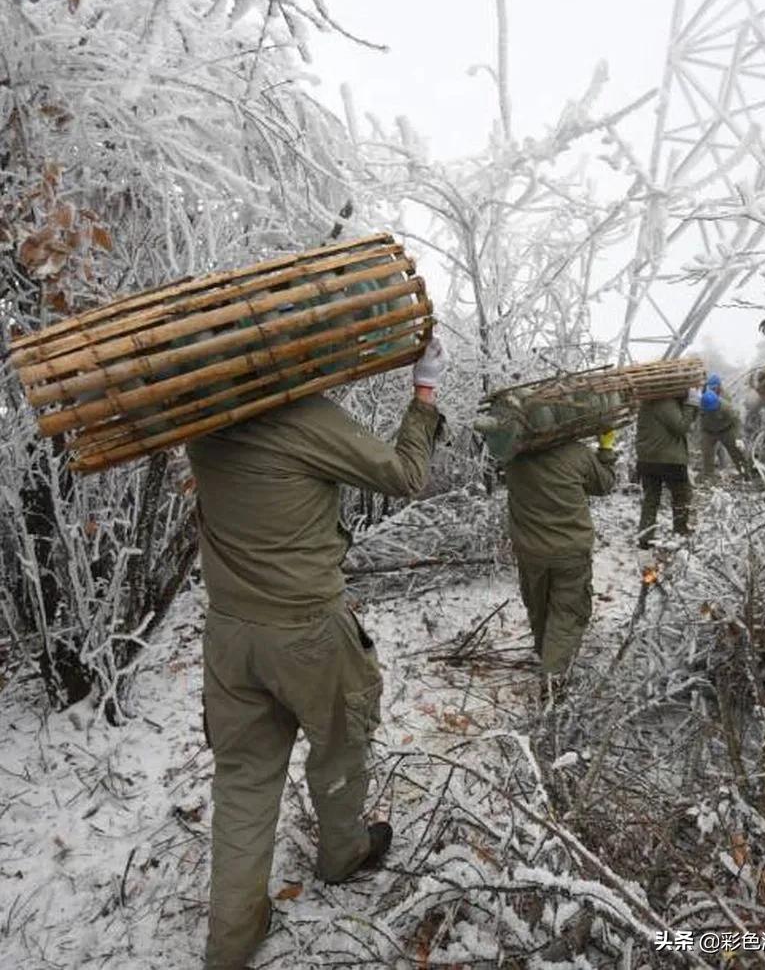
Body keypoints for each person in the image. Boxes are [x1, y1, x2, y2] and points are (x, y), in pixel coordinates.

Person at [187, 338, 446, 970]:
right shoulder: (306, 419)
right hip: (308, 633)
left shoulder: (202, 423)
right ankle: (344, 854)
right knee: (340, 744)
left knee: (243, 781)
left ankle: (232, 940)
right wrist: (424, 395)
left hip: (230, 636)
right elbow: (405, 476)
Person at [505, 430, 616, 682]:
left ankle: (547, 658)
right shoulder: (577, 454)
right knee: (566, 614)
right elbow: (605, 484)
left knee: (538, 608)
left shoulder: (513, 455)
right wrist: (606, 449)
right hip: (570, 552)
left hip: (529, 551)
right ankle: (553, 680)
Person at [635, 389, 700, 548]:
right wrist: (691, 403)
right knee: (682, 495)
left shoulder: (650, 400)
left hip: (648, 458)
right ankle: (680, 533)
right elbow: (681, 427)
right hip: (668, 460)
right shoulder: (665, 402)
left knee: (651, 498)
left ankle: (645, 536)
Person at [699, 373, 749, 479]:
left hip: (726, 430)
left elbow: (736, 421)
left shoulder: (726, 406)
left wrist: (738, 437)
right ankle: (708, 476)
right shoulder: (701, 404)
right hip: (708, 431)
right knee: (707, 453)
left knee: (735, 452)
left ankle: (745, 474)